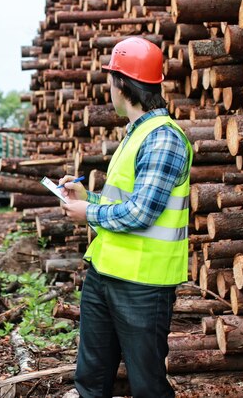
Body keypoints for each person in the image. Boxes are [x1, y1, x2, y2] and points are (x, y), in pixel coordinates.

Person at [59, 37, 193, 398]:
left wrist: (89, 212)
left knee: (147, 386)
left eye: (110, 78)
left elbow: (141, 213)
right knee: (90, 381)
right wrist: (89, 197)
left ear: (122, 84)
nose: (108, 87)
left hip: (142, 286)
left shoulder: (163, 138)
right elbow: (126, 200)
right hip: (106, 274)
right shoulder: (138, 134)